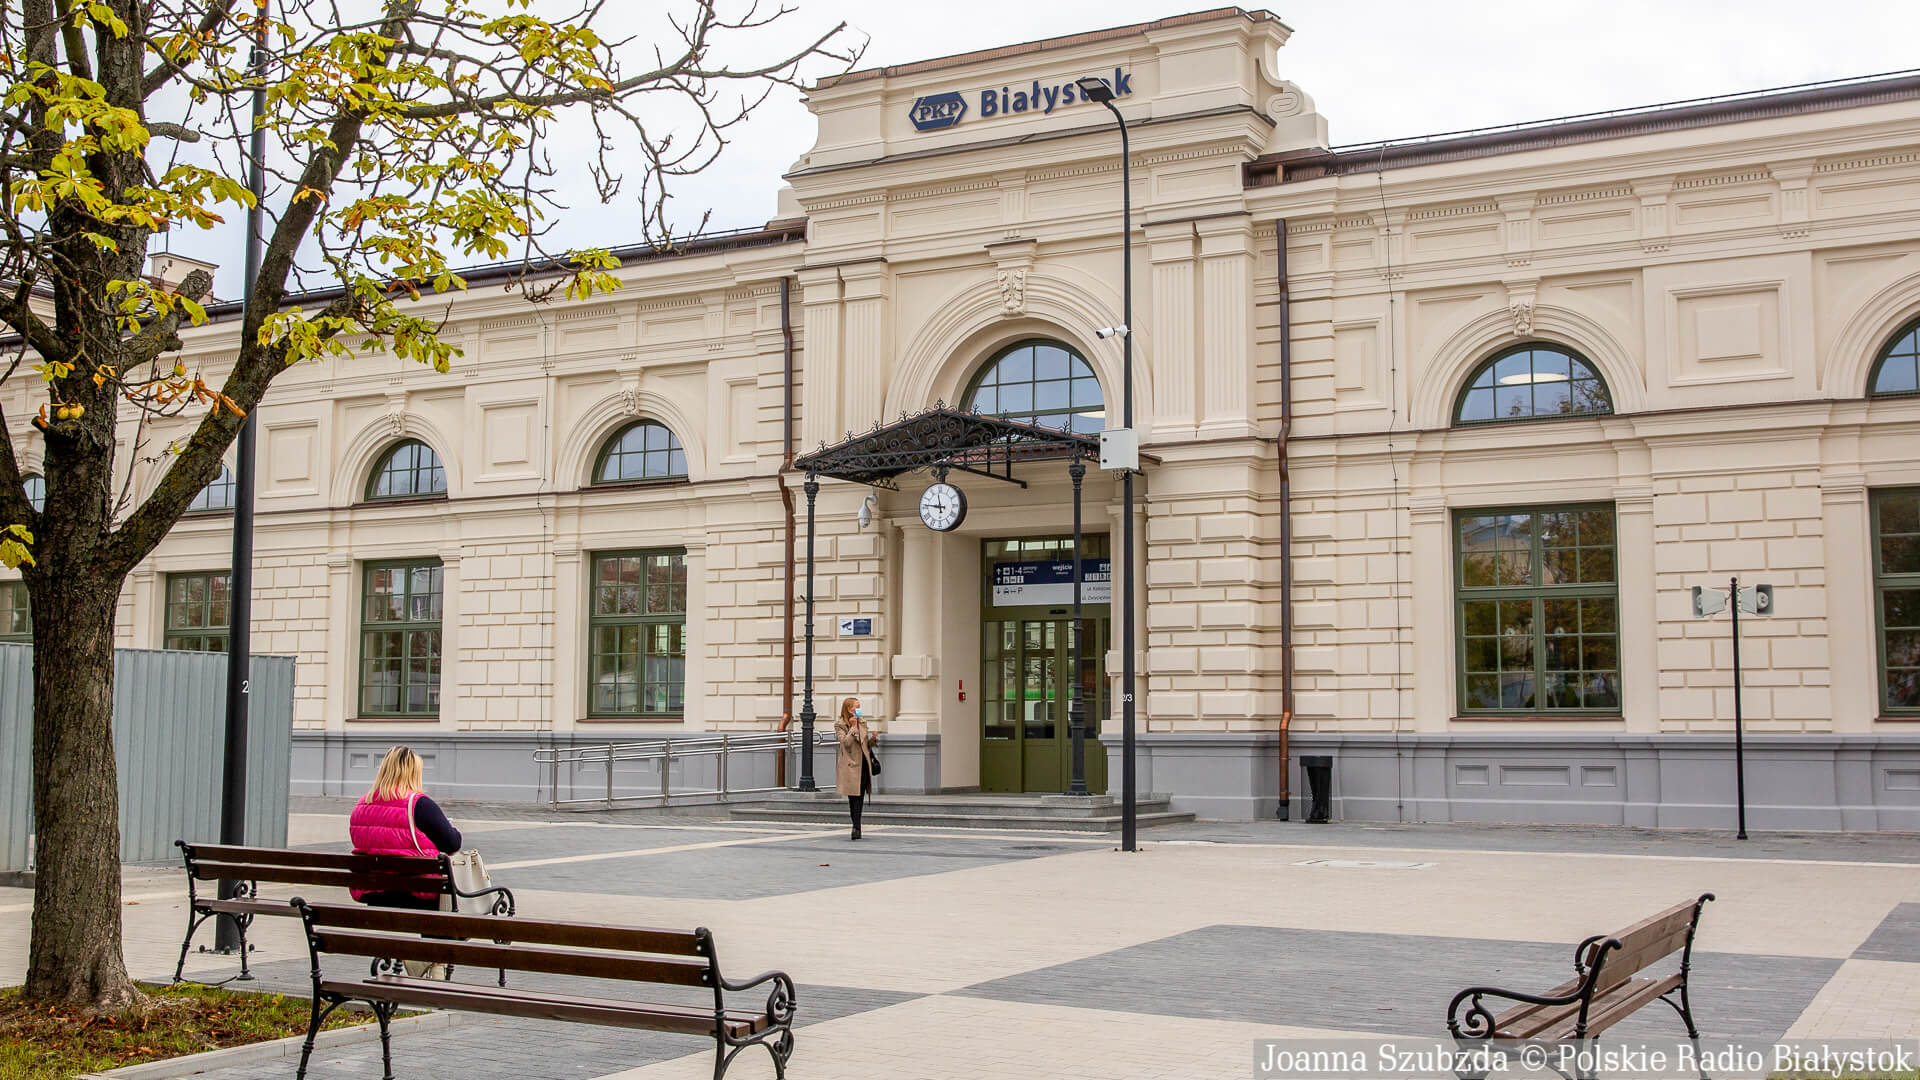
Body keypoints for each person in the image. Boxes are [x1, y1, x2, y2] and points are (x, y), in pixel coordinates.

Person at [348, 745, 462, 910]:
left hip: (373, 892)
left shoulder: (361, 805)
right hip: (418, 894)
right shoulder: (420, 804)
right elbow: (452, 844)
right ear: (414, 773)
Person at [834, 696, 878, 840]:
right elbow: (845, 744)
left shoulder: (863, 722)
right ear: (848, 709)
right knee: (853, 798)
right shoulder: (840, 724)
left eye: (859, 706)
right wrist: (853, 727)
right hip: (851, 766)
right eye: (856, 707)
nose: (859, 709)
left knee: (859, 796)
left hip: (864, 764)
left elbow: (864, 745)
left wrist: (873, 740)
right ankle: (856, 825)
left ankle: (856, 827)